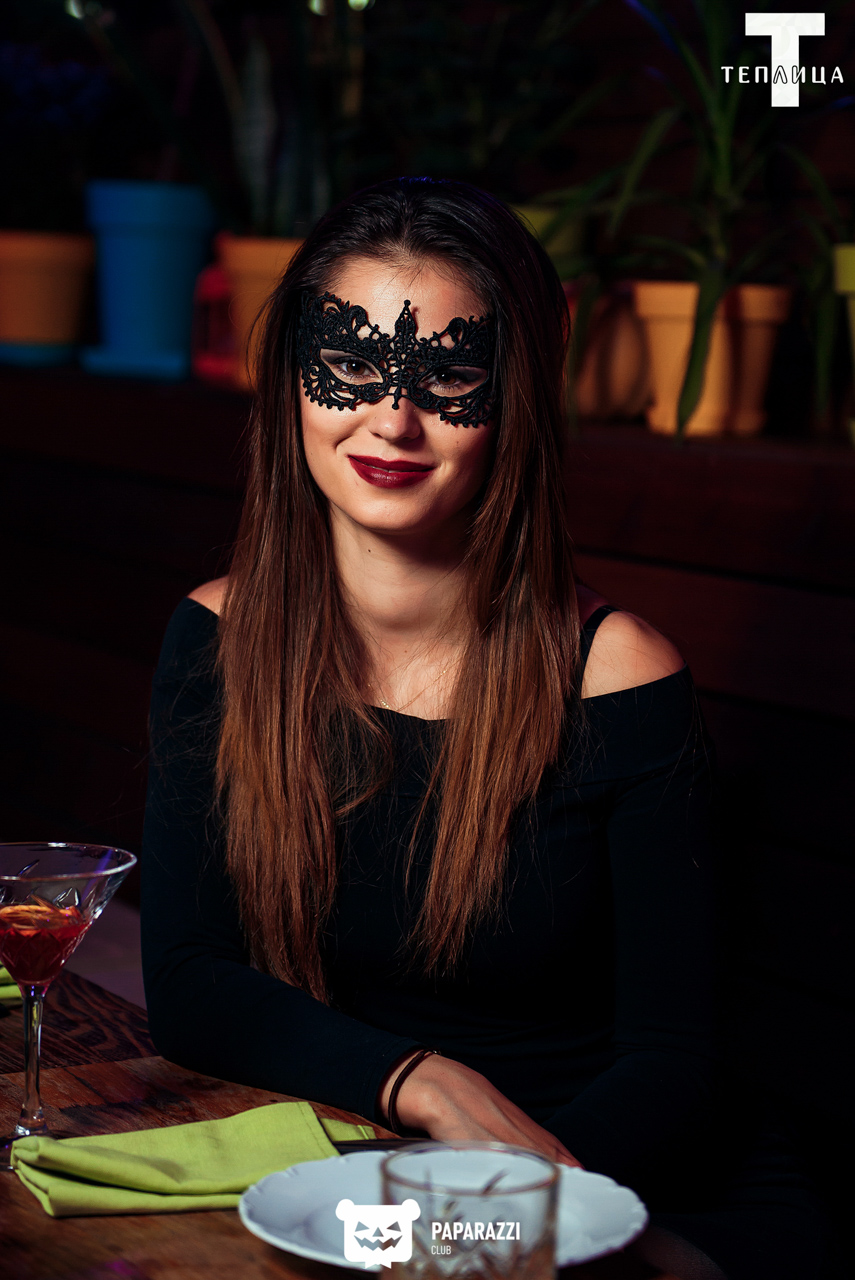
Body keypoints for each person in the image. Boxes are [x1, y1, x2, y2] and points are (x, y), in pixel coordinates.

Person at [142, 178, 822, 1280]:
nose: (392, 419)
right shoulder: (216, 639)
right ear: (291, 380)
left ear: (516, 399)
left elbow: (673, 1064)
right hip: (371, 1159)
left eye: (451, 376)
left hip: (626, 1173)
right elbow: (188, 978)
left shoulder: (618, 674)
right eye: (349, 364)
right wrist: (419, 1082)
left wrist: (498, 1205)